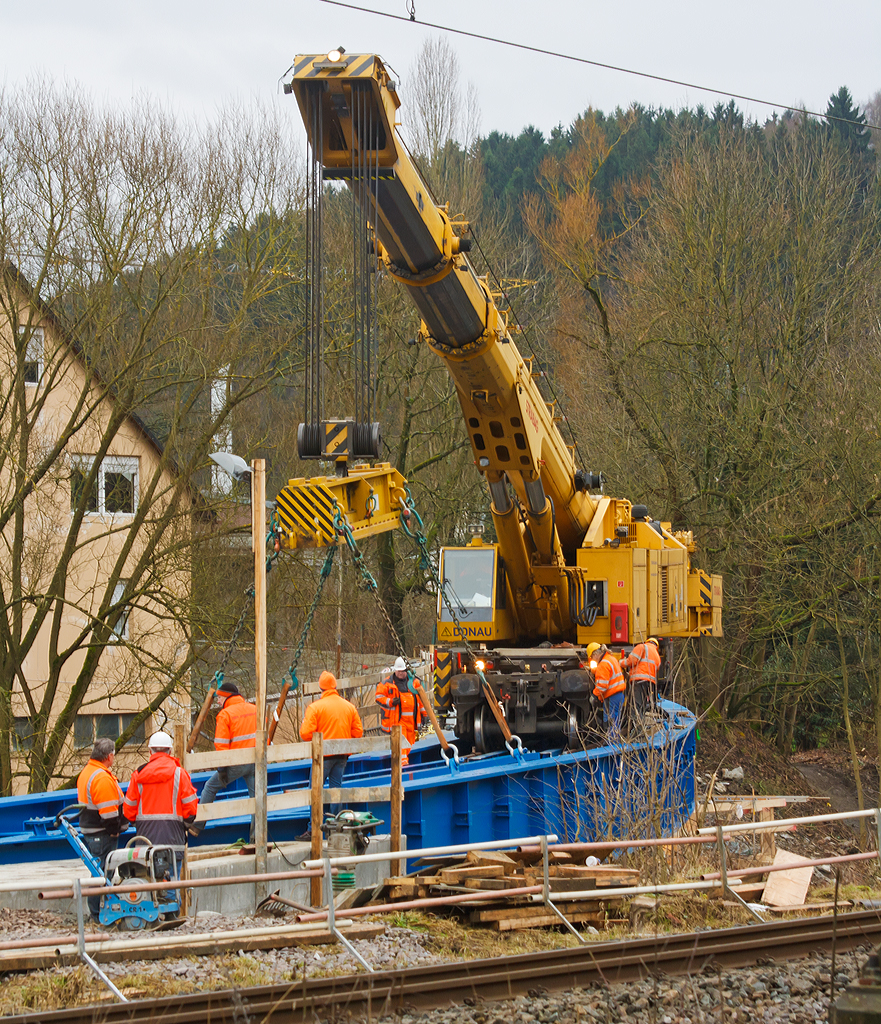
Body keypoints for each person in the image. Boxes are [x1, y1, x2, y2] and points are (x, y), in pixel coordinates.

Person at [123, 730, 198, 887]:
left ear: (150, 751)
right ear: (169, 751)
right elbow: (191, 809)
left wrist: (139, 823)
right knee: (171, 888)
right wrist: (184, 824)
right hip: (173, 842)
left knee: (147, 888)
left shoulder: (138, 775)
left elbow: (128, 811)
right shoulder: (179, 774)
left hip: (145, 843)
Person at [194, 680, 257, 839]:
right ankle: (256, 837)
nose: (218, 701)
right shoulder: (255, 709)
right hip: (255, 761)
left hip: (236, 763)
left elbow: (221, 745)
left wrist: (222, 769)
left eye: (220, 698)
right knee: (257, 800)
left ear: (227, 697)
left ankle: (197, 826)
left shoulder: (225, 714)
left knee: (210, 787)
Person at [299, 670, 363, 814]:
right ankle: (335, 822)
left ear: (320, 687)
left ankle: (314, 824)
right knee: (336, 790)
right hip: (342, 755)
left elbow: (305, 734)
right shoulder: (349, 706)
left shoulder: (315, 708)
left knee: (315, 791)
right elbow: (358, 732)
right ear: (335, 686)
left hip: (323, 756)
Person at [76, 737, 125, 921]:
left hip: (92, 830)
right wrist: (114, 830)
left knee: (99, 871)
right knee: (102, 873)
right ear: (109, 756)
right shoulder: (101, 777)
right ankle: (97, 914)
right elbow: (109, 814)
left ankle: (98, 912)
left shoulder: (89, 772)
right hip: (101, 833)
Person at [375, 656, 425, 760]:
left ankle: (409, 764)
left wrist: (424, 715)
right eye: (399, 671)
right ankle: (403, 765)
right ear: (395, 670)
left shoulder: (414, 683)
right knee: (401, 746)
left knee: (411, 746)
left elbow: (421, 702)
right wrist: (390, 702)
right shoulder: (386, 684)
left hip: (411, 722)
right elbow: (378, 697)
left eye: (402, 671)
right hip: (398, 721)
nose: (400, 673)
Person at [586, 642, 627, 742]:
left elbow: (602, 685)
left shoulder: (603, 664)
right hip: (617, 695)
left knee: (611, 721)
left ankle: (612, 743)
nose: (592, 659)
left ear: (595, 654)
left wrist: (594, 695)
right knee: (614, 720)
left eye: (591, 657)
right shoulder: (611, 659)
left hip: (612, 696)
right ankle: (614, 742)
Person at [620, 637, 662, 720]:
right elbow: (656, 670)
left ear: (647, 642)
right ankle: (639, 724)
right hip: (649, 684)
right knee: (641, 707)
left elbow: (631, 661)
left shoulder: (642, 647)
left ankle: (637, 726)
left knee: (635, 708)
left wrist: (621, 662)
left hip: (638, 681)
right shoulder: (657, 656)